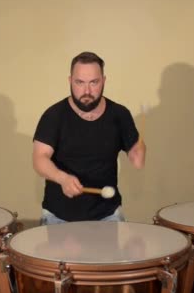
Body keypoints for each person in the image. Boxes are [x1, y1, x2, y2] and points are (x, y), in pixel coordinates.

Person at [32, 51, 146, 224]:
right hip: (59, 216)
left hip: (107, 214)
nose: (87, 91)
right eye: (79, 82)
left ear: (104, 81)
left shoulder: (119, 114)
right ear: (70, 81)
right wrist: (62, 178)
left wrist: (138, 149)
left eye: (94, 82)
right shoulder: (54, 115)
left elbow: (137, 159)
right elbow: (39, 159)